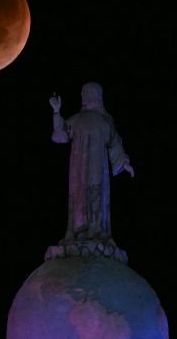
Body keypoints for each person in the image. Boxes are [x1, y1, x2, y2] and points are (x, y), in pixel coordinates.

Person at [49, 82, 134, 244]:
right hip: (78, 167)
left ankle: (97, 230)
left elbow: (115, 143)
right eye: (83, 94)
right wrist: (56, 111)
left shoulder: (105, 120)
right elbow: (60, 134)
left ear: (96, 97)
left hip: (97, 166)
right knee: (79, 194)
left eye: (88, 94)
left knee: (96, 193)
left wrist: (124, 163)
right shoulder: (77, 119)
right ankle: (78, 230)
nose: (84, 98)